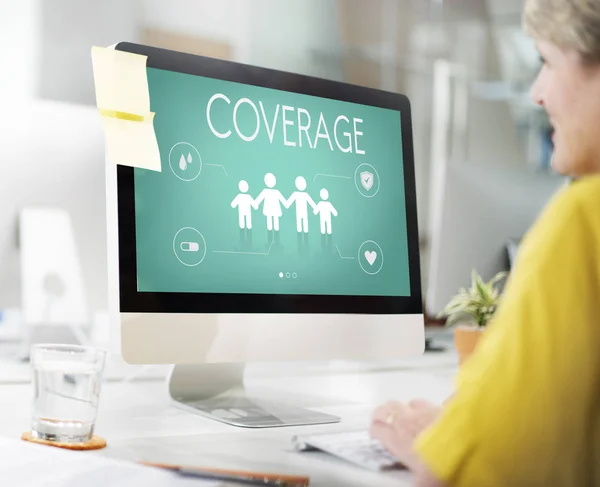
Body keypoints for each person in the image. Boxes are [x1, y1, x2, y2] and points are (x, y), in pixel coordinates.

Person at [369, 1, 600, 485]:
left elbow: (486, 469)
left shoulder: (583, 218)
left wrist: (438, 444)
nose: (537, 93)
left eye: (547, 62)